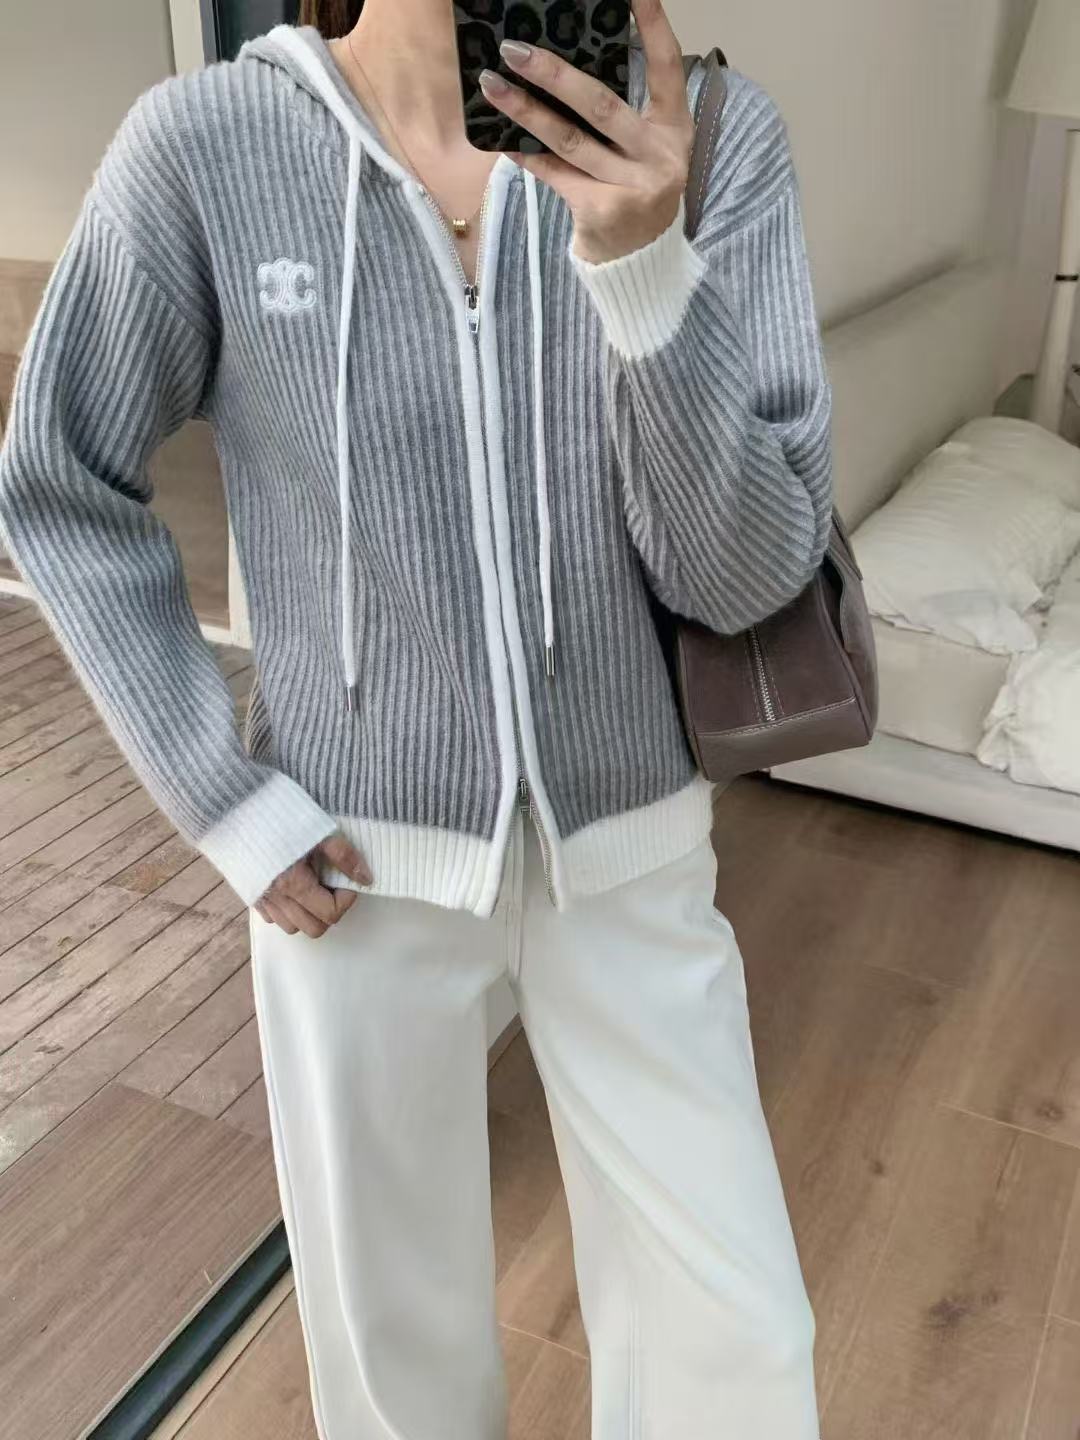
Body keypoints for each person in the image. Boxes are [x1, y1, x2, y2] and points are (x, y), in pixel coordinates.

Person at [0, 0, 832, 1433]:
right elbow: (60, 482)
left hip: (633, 851)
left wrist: (644, 269)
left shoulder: (710, 136)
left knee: (740, 1344)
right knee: (393, 1358)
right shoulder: (205, 145)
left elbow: (749, 574)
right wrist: (220, 796)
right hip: (349, 873)